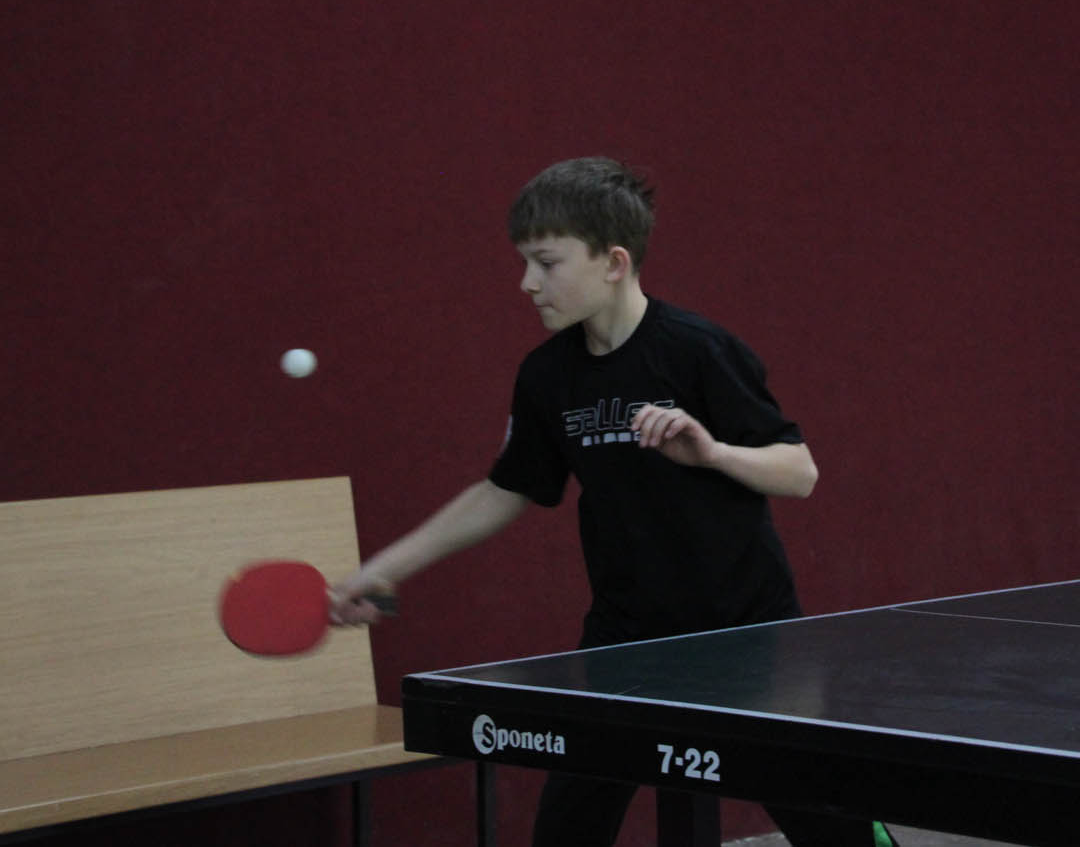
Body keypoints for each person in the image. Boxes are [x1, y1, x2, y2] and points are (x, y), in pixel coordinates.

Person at [330, 157, 896, 846]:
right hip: (624, 640)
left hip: (747, 632)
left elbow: (799, 471)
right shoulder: (547, 375)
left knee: (828, 825)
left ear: (614, 262)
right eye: (524, 262)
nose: (527, 282)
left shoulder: (698, 350)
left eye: (546, 262)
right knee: (568, 828)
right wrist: (383, 569)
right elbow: (507, 487)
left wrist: (712, 452)